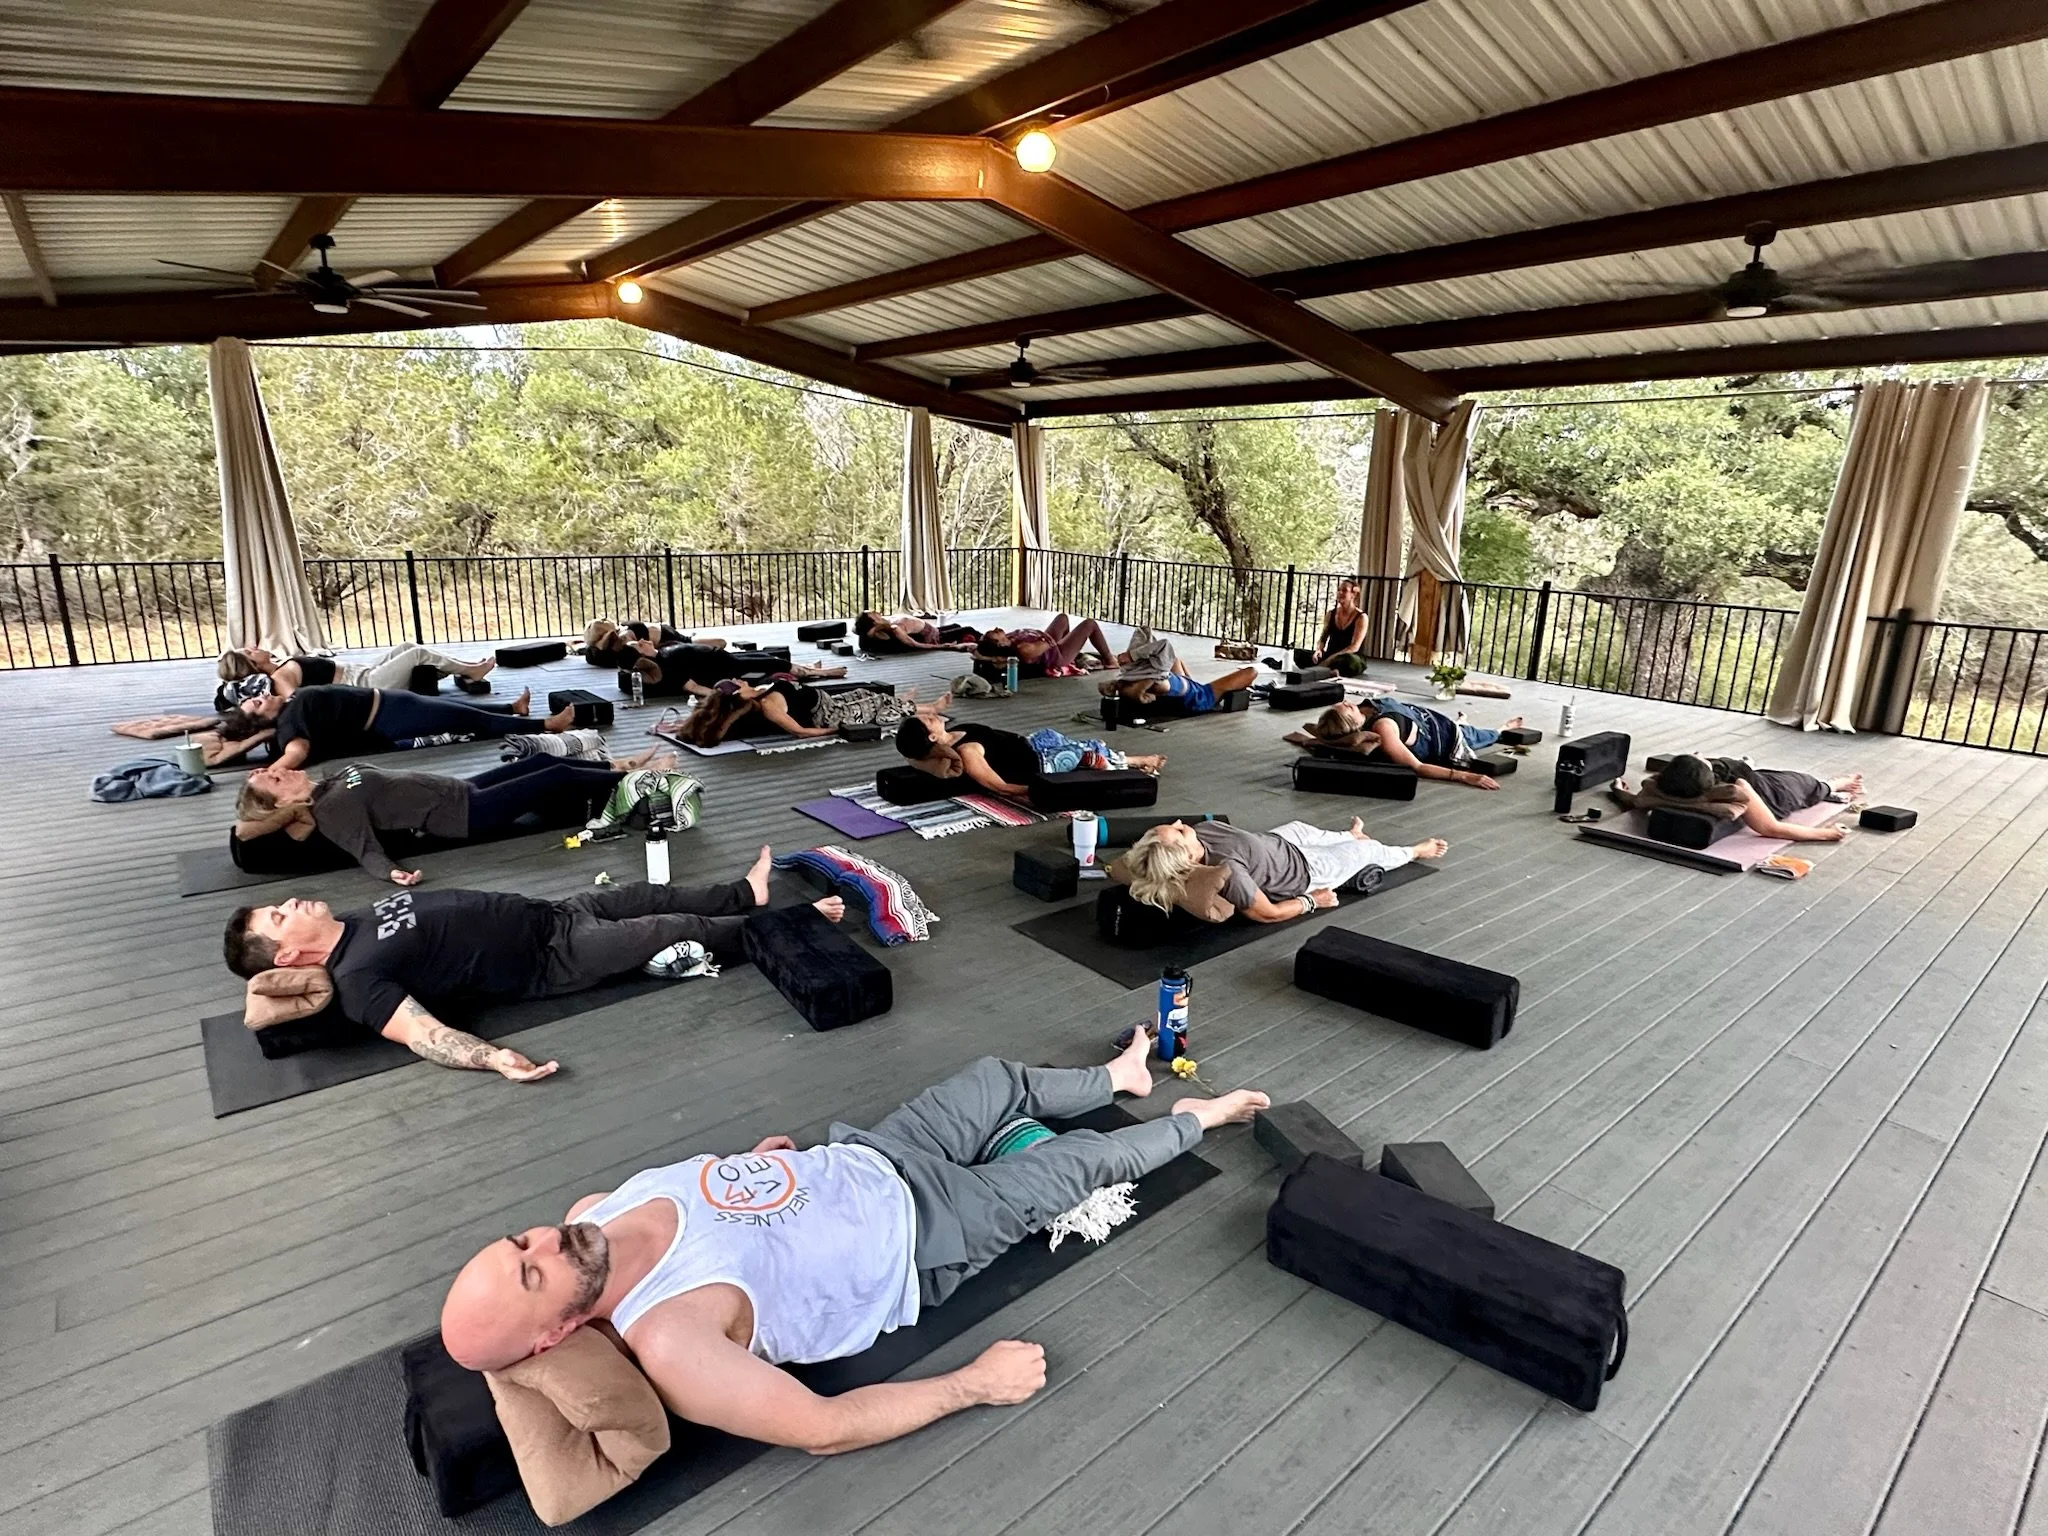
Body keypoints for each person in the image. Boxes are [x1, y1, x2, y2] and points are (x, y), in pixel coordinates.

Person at [437, 1036, 1271, 1459]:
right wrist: (972, 1385)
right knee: (1089, 1162)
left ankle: (1117, 1080)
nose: (546, 1236)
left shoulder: (592, 1213)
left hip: (870, 1153)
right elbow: (821, 1428)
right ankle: (1206, 1117)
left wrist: (757, 1171)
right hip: (931, 1234)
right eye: (533, 1269)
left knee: (997, 1079)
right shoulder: (671, 1341)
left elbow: (719, 1207)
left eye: (520, 1240)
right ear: (553, 1336)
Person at [221, 848, 846, 1080]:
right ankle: (795, 923)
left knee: (650, 893)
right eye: (279, 916)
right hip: (555, 959)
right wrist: (492, 1057)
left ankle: (750, 893)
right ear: (291, 955)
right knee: (672, 929)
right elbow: (423, 1035)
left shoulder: (354, 921)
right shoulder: (357, 981)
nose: (289, 902)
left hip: (556, 913)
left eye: (276, 903)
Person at [230, 749, 668, 883]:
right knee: (553, 775)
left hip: (464, 788)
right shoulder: (332, 809)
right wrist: (394, 875)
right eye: (275, 781)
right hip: (467, 816)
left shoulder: (329, 780)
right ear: (282, 804)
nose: (280, 772)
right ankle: (639, 778)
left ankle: (619, 769)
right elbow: (364, 849)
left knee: (537, 764)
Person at [1121, 817, 1448, 922]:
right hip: (1306, 871)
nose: (1180, 823)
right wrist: (1312, 901)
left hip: (1280, 842)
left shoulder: (1201, 831)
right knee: (1367, 850)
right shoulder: (1228, 870)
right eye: (1178, 831)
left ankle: (1349, 834)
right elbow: (1267, 913)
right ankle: (1415, 851)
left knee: (1303, 828)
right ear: (1188, 857)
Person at [213, 683, 578, 769]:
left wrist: (256, 733)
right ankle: (547, 725)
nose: (263, 695)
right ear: (264, 718)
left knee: (454, 708)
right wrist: (270, 771)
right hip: (390, 716)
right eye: (257, 703)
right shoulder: (292, 719)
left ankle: (512, 708)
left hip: (390, 704)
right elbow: (298, 750)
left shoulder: (289, 708)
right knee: (466, 720)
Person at [893, 697, 1162, 797]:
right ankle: (1137, 764)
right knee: (1089, 756)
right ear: (931, 737)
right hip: (1038, 764)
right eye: (929, 719)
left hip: (1032, 743)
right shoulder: (967, 752)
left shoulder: (953, 735)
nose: (933, 715)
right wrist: (1041, 791)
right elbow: (999, 786)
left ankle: (1133, 760)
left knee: (1089, 744)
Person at [1612, 754, 1862, 844]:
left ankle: (1746, 763)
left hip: (1750, 775)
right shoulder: (1734, 791)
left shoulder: (1662, 787)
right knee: (1812, 785)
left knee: (1736, 766)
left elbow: (1637, 801)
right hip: (1776, 793)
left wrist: (1618, 790)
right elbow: (1770, 828)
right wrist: (1827, 833)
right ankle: (1839, 783)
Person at [1306, 699, 1522, 790]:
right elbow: (1417, 767)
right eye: (1347, 708)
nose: (1347, 703)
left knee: (1467, 728)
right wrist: (1467, 776)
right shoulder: (1383, 730)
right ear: (1351, 723)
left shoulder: (1365, 709)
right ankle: (1502, 729)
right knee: (1480, 736)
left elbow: (1318, 732)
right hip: (1447, 738)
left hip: (1431, 720)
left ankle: (1462, 721)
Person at [215, 643, 496, 709]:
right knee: (416, 655)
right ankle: (472, 671)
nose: (256, 647)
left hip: (359, 672)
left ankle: (467, 668)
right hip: (363, 685)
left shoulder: (281, 668)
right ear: (251, 664)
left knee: (408, 647)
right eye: (250, 651)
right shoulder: (280, 678)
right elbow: (296, 700)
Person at [675, 677, 914, 746]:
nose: (740, 679)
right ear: (739, 693)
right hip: (830, 714)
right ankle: (920, 707)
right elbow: (801, 732)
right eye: (737, 682)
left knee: (864, 692)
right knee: (881, 701)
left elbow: (712, 711)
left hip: (826, 700)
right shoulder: (768, 706)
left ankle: (903, 702)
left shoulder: (758, 692)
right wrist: (838, 729)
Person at [1099, 626, 1255, 712]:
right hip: (1193, 692)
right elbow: (1252, 672)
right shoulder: (1203, 693)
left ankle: (1128, 684)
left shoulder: (1208, 693)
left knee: (1172, 668)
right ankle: (1134, 684)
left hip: (1180, 686)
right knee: (1251, 671)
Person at [626, 643, 841, 698]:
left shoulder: (664, 650)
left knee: (769, 657)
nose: (645, 640)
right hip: (730, 669)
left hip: (729, 658)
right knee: (776, 664)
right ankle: (822, 673)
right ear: (643, 656)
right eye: (639, 644)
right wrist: (723, 694)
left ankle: (809, 668)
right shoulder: (668, 666)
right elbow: (694, 687)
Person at [975, 613, 1117, 677]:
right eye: (994, 633)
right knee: (1089, 624)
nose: (997, 629)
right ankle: (1110, 659)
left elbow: (974, 650)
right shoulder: (1024, 648)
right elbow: (1050, 642)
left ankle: (1072, 656)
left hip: (1049, 642)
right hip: (1057, 655)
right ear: (999, 644)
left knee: (1062, 617)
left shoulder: (1010, 638)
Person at [1307, 579, 1368, 670]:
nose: (1340, 593)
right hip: (1331, 654)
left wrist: (1330, 659)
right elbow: (1323, 638)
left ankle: (1327, 669)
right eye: (1339, 590)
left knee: (1347, 661)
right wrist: (1318, 650)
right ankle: (1328, 670)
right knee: (1298, 654)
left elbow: (1354, 647)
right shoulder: (1331, 614)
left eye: (1344, 590)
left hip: (1349, 657)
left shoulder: (1361, 617)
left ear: (1353, 594)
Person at [581, 619, 693, 667]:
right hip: (658, 638)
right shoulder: (596, 653)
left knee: (690, 644)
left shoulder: (625, 636)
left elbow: (640, 655)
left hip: (665, 635)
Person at [854, 612, 979, 654]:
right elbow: (914, 644)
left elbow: (856, 629)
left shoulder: (885, 623)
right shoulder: (894, 628)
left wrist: (876, 626)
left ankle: (967, 640)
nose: (876, 611)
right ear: (873, 621)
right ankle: (987, 643)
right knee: (968, 629)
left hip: (933, 630)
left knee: (957, 626)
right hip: (933, 637)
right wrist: (944, 647)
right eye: (872, 613)